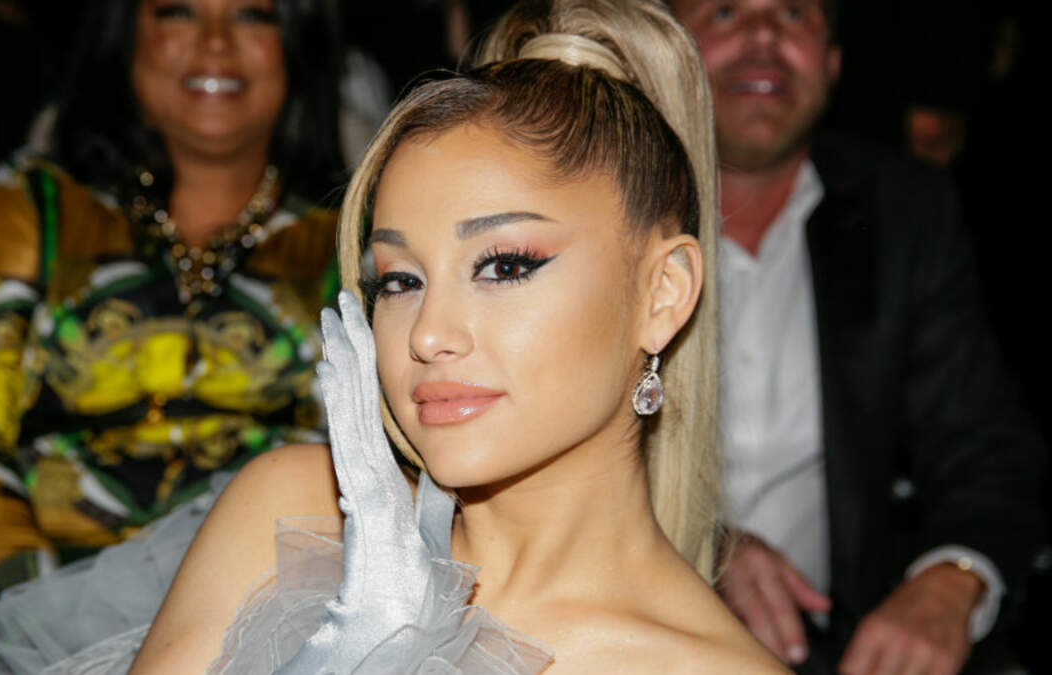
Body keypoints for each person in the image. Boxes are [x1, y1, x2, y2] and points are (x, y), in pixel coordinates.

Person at [86, 0, 791, 672]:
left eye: (504, 266)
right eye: (400, 280)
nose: (427, 334)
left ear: (663, 293)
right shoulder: (287, 516)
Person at [0, 0, 343, 666]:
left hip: (276, 623)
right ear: (125, 37)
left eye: (253, 15)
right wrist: (45, 629)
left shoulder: (353, 235)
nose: (216, 42)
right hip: (25, 613)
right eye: (178, 12)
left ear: (298, 46)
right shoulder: (35, 203)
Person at [667, 1, 1047, 674]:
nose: (763, 35)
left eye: (793, 13)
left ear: (833, 63)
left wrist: (952, 578)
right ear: (664, 54)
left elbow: (986, 448)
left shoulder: (905, 213)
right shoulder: (595, 209)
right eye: (725, 11)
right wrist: (696, 545)